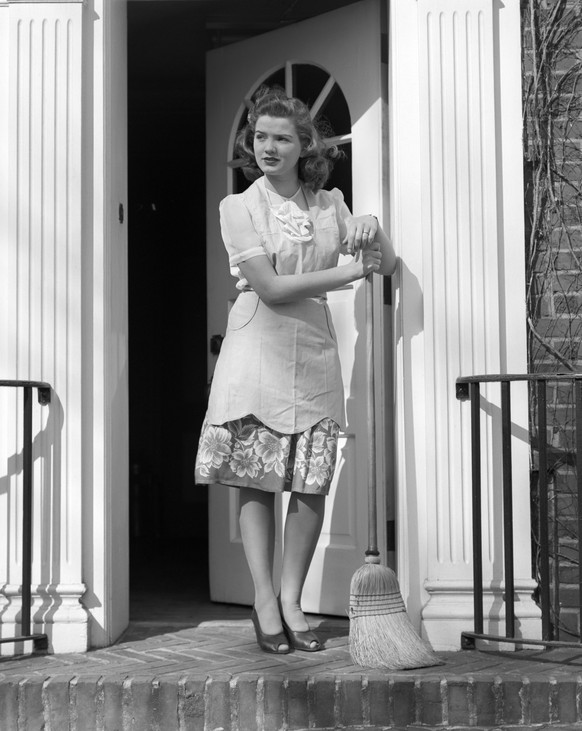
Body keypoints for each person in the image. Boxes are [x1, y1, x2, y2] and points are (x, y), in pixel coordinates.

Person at [195, 87, 396, 654]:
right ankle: (263, 600)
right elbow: (271, 286)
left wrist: (372, 224)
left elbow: (386, 260)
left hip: (314, 355)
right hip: (257, 348)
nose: (268, 147)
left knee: (309, 486)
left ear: (305, 144)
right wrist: (348, 274)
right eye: (260, 136)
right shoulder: (239, 208)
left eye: (282, 137)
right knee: (256, 481)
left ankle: (292, 598)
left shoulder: (332, 205)